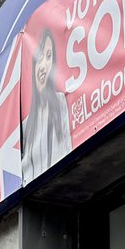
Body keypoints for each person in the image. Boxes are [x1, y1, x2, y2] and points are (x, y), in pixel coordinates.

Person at [21, 29, 73, 181]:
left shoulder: (60, 102)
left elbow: (68, 150)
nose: (43, 65)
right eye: (39, 57)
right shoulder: (26, 125)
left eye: (48, 56)